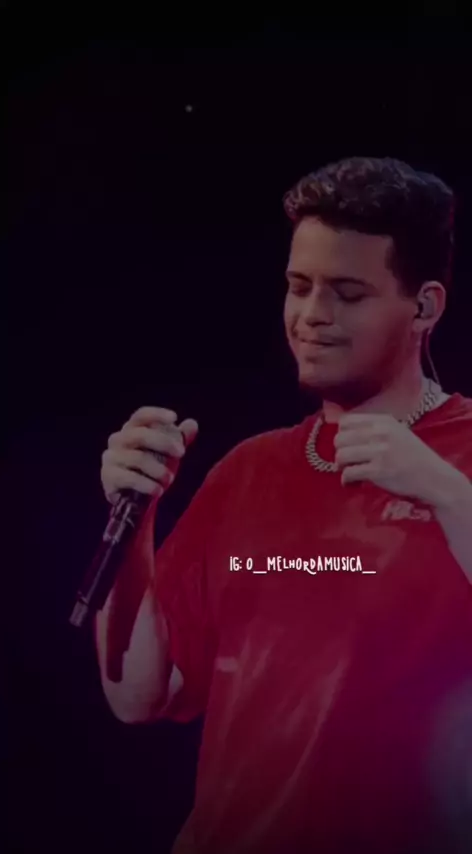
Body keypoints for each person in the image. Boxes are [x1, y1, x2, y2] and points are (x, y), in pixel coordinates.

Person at [96, 156, 472, 854]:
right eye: (299, 287)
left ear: (424, 307)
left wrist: (445, 490)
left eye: (348, 293)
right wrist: (136, 515)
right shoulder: (249, 470)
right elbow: (137, 694)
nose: (312, 316)